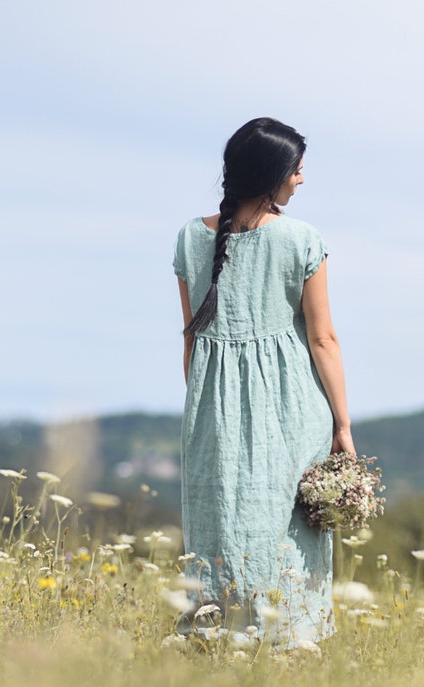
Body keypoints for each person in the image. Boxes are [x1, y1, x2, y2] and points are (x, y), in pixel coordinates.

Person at [173, 116, 354, 646]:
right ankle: (290, 634)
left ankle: (216, 628)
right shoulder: (302, 239)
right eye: (297, 170)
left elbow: (191, 340)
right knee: (289, 523)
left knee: (218, 515)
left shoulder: (189, 237)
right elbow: (323, 341)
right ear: (274, 173)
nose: (301, 180)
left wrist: (207, 409)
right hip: (292, 404)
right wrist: (343, 425)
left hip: (211, 405)